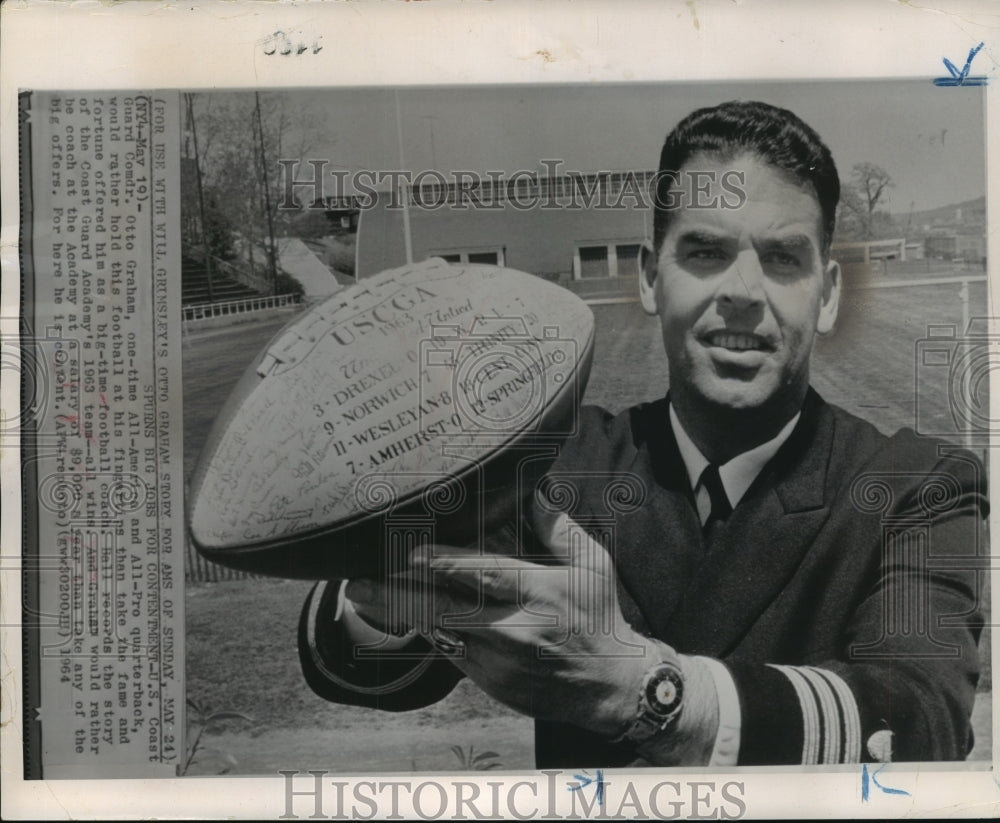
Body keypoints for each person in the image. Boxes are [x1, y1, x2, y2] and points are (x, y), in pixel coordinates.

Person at [298, 101, 987, 766]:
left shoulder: (916, 487)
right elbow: (361, 668)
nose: (744, 290)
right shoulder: (554, 467)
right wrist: (399, 545)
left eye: (782, 258)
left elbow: (922, 722)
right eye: (706, 252)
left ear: (828, 292)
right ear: (652, 278)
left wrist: (643, 689)